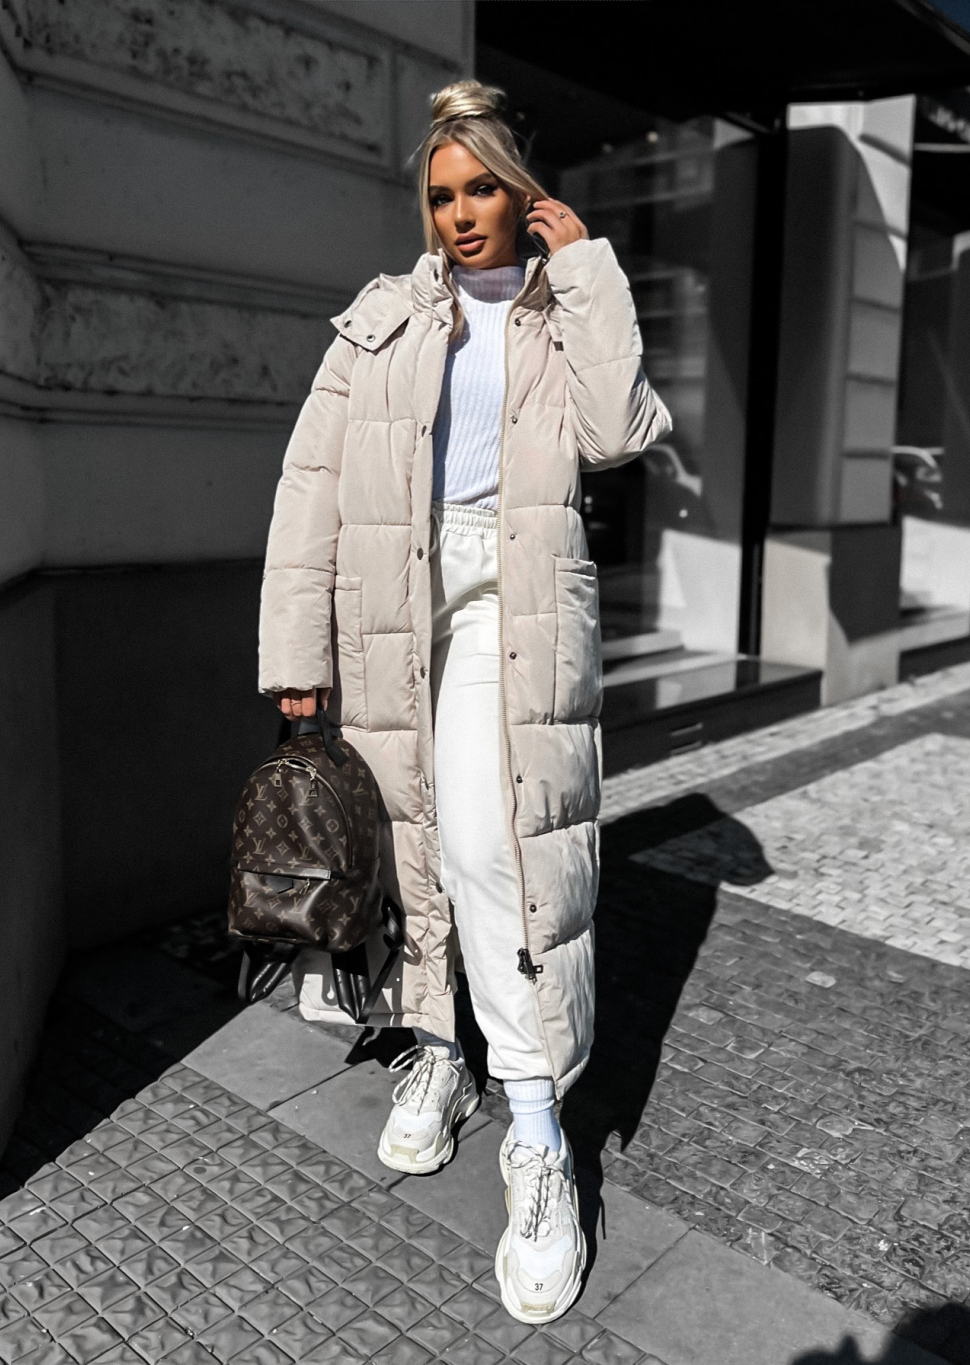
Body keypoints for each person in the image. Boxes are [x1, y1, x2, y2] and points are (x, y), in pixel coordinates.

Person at [258, 78, 672, 1324]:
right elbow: (309, 487)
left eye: (481, 187)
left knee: (496, 849)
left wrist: (586, 270)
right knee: (412, 843)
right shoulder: (381, 321)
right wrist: (295, 650)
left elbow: (619, 431)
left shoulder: (560, 310)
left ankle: (536, 1129)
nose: (459, 213)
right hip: (391, 603)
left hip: (511, 598)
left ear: (518, 187)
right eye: (440, 195)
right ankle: (439, 1054)